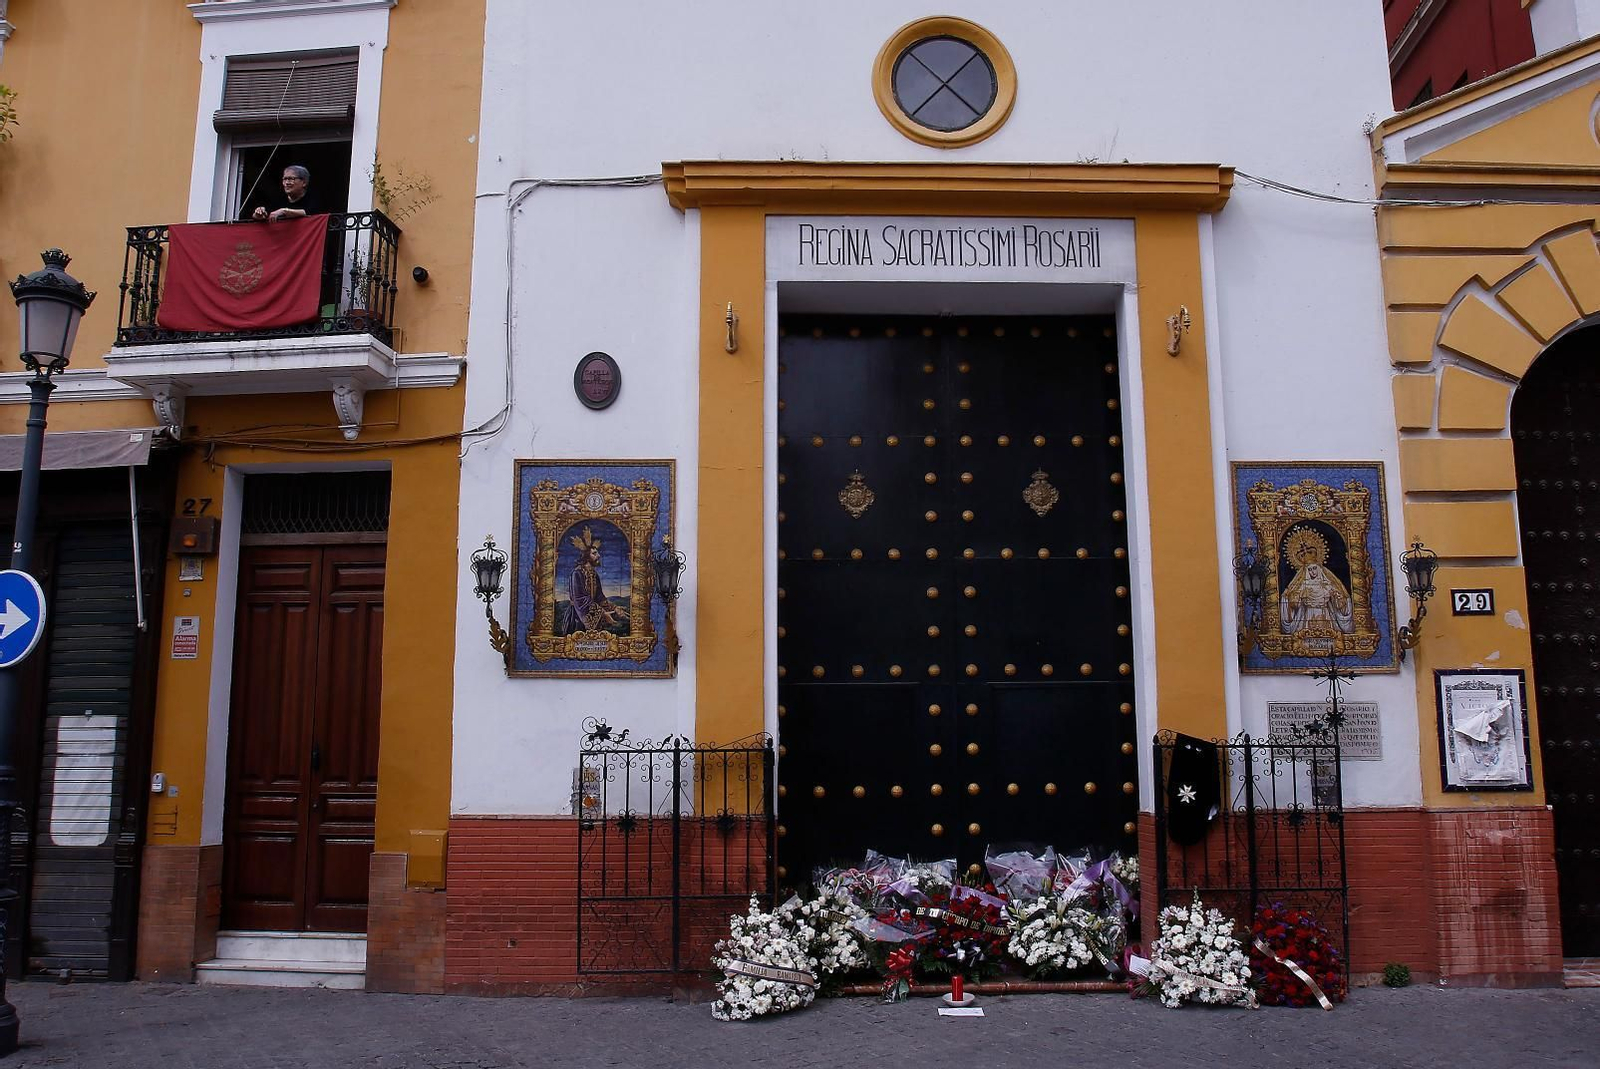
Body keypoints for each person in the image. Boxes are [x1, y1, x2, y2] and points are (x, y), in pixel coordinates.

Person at [1279, 528, 1354, 635]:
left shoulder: (1328, 583)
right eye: (1309, 569)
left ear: (1319, 568)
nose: (1313, 572)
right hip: (1308, 616)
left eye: (1314, 568)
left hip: (1326, 615)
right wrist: (1297, 597)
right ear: (1305, 571)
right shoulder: (1302, 585)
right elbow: (1292, 604)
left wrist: (1337, 597)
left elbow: (1341, 603)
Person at [566, 527, 627, 633]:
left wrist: (615, 608)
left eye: (597, 553)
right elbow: (580, 599)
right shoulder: (577, 573)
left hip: (593, 613)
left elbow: (600, 597)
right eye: (594, 553)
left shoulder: (594, 574)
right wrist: (603, 613)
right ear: (586, 556)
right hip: (578, 616)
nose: (598, 556)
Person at [244, 164, 320, 222]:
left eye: (291, 179)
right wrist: (258, 214)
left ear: (304, 182)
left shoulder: (313, 198)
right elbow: (266, 213)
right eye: (285, 179)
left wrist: (284, 211)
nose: (286, 183)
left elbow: (310, 212)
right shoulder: (278, 199)